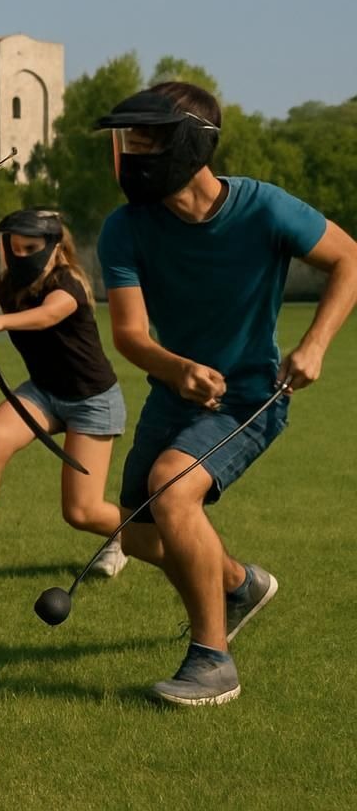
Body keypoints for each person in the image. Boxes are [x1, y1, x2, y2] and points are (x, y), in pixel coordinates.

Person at [94, 82, 356, 706]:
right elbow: (129, 334)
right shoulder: (125, 228)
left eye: (143, 141)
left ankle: (212, 661)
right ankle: (238, 585)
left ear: (189, 143)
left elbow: (349, 257)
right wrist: (176, 368)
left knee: (170, 486)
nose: (129, 155)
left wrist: (315, 344)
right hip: (173, 394)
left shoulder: (264, 208)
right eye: (127, 141)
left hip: (250, 398)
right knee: (139, 537)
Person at [0, 209, 129, 587]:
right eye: (14, 248)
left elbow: (47, 315)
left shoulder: (69, 284)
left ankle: (130, 533)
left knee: (81, 511)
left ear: (54, 248)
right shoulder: (6, 286)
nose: (20, 255)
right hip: (44, 392)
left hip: (92, 401)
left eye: (30, 248)